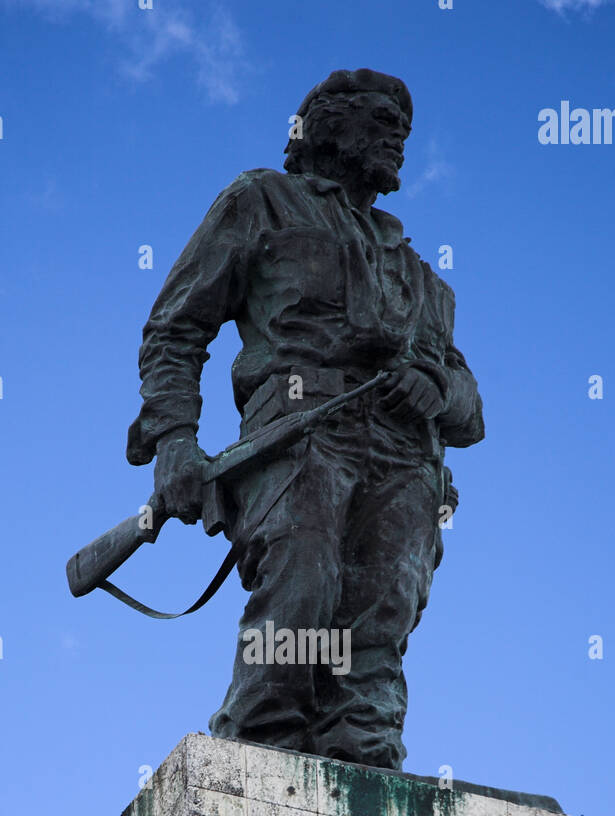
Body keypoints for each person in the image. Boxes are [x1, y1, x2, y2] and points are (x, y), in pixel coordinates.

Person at [126, 68, 484, 770]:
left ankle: (367, 773)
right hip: (299, 436)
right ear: (324, 126)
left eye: (402, 128)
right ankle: (258, 766)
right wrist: (174, 439)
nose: (397, 137)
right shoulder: (264, 202)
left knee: (378, 628)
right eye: (380, 120)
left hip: (407, 462)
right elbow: (175, 328)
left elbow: (472, 410)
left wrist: (436, 386)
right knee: (300, 598)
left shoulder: (423, 280)